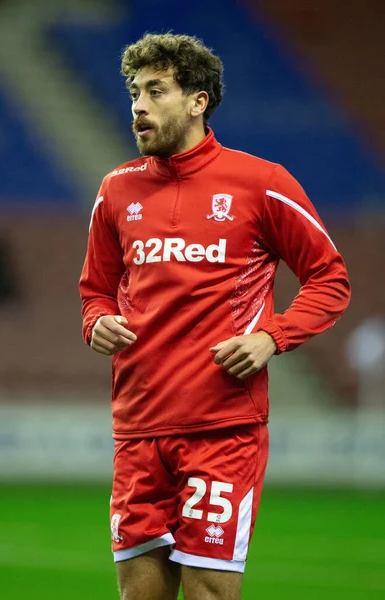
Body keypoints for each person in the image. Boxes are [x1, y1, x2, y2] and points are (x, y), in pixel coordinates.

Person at [79, 33, 351, 600]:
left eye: (156, 91)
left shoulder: (261, 183)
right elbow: (96, 291)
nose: (138, 105)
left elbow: (330, 278)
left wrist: (273, 336)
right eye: (134, 91)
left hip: (222, 430)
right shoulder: (116, 191)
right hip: (138, 429)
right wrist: (96, 320)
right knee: (139, 595)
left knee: (209, 592)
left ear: (198, 101)